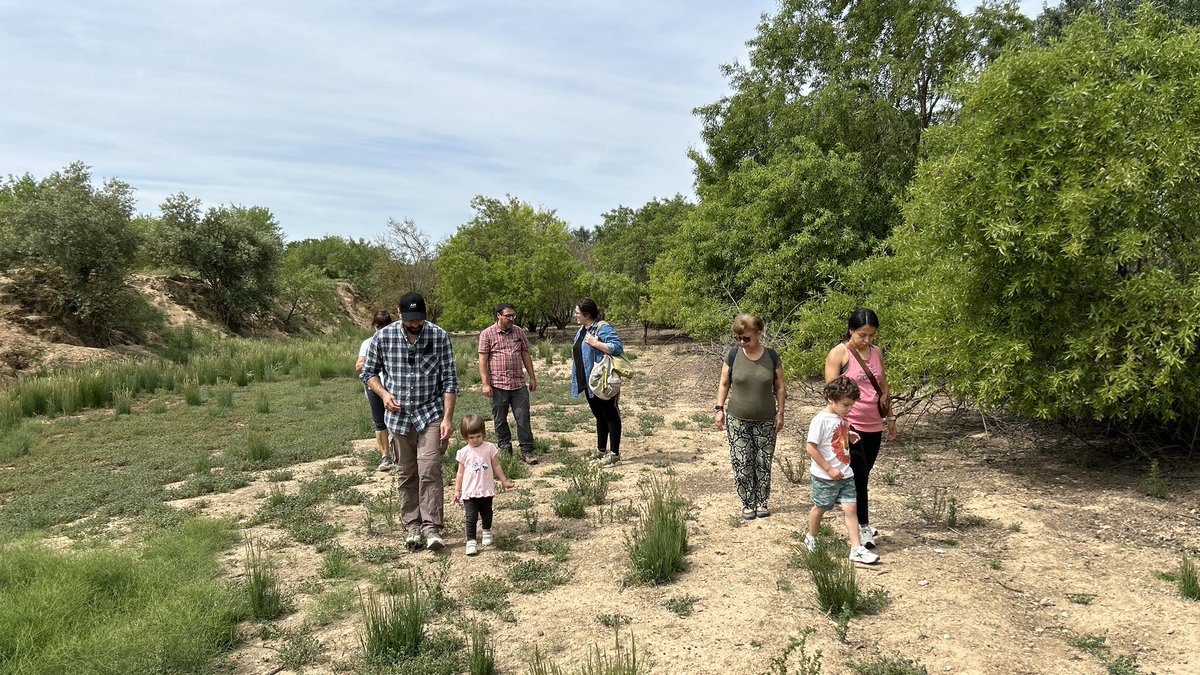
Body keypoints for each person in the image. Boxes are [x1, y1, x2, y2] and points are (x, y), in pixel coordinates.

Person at [361, 292, 459, 552]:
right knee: (406, 472)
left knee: (430, 468)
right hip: (399, 417)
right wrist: (383, 395)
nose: (416, 324)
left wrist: (448, 419)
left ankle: (432, 528)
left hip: (430, 413)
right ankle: (412, 525)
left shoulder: (439, 336)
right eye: (410, 320)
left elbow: (450, 380)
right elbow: (368, 372)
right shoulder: (383, 337)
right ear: (399, 313)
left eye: (420, 319)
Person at [824, 308, 897, 549]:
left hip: (873, 422)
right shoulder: (839, 354)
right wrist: (838, 426)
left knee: (863, 476)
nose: (867, 340)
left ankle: (849, 510)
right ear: (851, 330)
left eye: (871, 335)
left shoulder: (876, 352)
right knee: (860, 476)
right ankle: (863, 528)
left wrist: (891, 418)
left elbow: (883, 385)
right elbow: (831, 394)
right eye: (862, 335)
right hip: (850, 424)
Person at [714, 314, 786, 520]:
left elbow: (780, 387)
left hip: (766, 419)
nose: (742, 342)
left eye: (747, 338)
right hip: (738, 419)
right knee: (742, 461)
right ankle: (747, 503)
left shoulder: (771, 356)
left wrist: (780, 413)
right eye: (739, 338)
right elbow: (724, 383)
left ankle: (762, 502)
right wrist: (719, 409)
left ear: (758, 334)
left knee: (763, 462)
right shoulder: (733, 355)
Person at [804, 377, 880, 565]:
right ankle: (811, 536)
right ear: (831, 399)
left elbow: (837, 433)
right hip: (825, 476)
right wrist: (829, 469)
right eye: (845, 404)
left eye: (851, 405)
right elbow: (811, 447)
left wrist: (848, 433)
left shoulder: (841, 418)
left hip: (846, 473)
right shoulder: (820, 420)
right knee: (821, 507)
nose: (849, 409)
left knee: (851, 508)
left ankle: (856, 548)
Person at [478, 302, 539, 465]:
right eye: (508, 316)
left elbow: (525, 355)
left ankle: (527, 450)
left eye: (513, 316)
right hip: (497, 385)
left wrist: (532, 377)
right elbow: (483, 360)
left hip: (518, 384)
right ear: (499, 315)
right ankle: (505, 449)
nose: (512, 318)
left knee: (523, 417)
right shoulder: (487, 334)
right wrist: (485, 384)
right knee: (500, 419)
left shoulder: (519, 332)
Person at [570, 297, 624, 467]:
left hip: (602, 381)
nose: (575, 315)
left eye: (577, 313)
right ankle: (602, 451)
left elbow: (618, 347)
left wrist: (597, 343)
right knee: (599, 416)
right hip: (588, 381)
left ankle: (614, 455)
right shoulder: (582, 329)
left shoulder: (602, 328)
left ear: (587, 314)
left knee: (611, 415)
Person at [453, 414, 514, 556]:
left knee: (487, 513)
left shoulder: (489, 448)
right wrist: (457, 490)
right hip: (469, 491)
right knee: (471, 516)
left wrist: (504, 481)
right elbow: (460, 473)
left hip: (486, 489)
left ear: (483, 434)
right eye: (471, 437)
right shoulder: (463, 452)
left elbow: (496, 466)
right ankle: (471, 541)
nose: (475, 440)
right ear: (465, 437)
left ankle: (487, 531)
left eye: (478, 436)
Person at [356, 310, 396, 472]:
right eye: (378, 326)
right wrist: (367, 365)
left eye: (385, 325)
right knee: (380, 423)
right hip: (375, 387)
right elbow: (358, 366)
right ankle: (385, 456)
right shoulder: (367, 343)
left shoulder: (397, 340)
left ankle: (401, 455)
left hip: (394, 385)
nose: (381, 329)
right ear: (374, 326)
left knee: (397, 421)